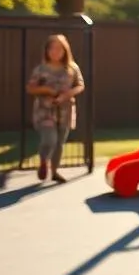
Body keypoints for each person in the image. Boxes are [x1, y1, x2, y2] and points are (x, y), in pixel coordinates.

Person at [25, 33, 85, 184]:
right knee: (50, 138)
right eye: (52, 48)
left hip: (65, 110)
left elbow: (80, 85)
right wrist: (46, 90)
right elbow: (30, 88)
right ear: (47, 51)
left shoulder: (72, 68)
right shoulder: (40, 69)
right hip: (45, 110)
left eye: (59, 48)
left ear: (65, 50)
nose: (55, 51)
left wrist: (67, 94)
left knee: (59, 142)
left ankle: (55, 171)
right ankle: (44, 161)